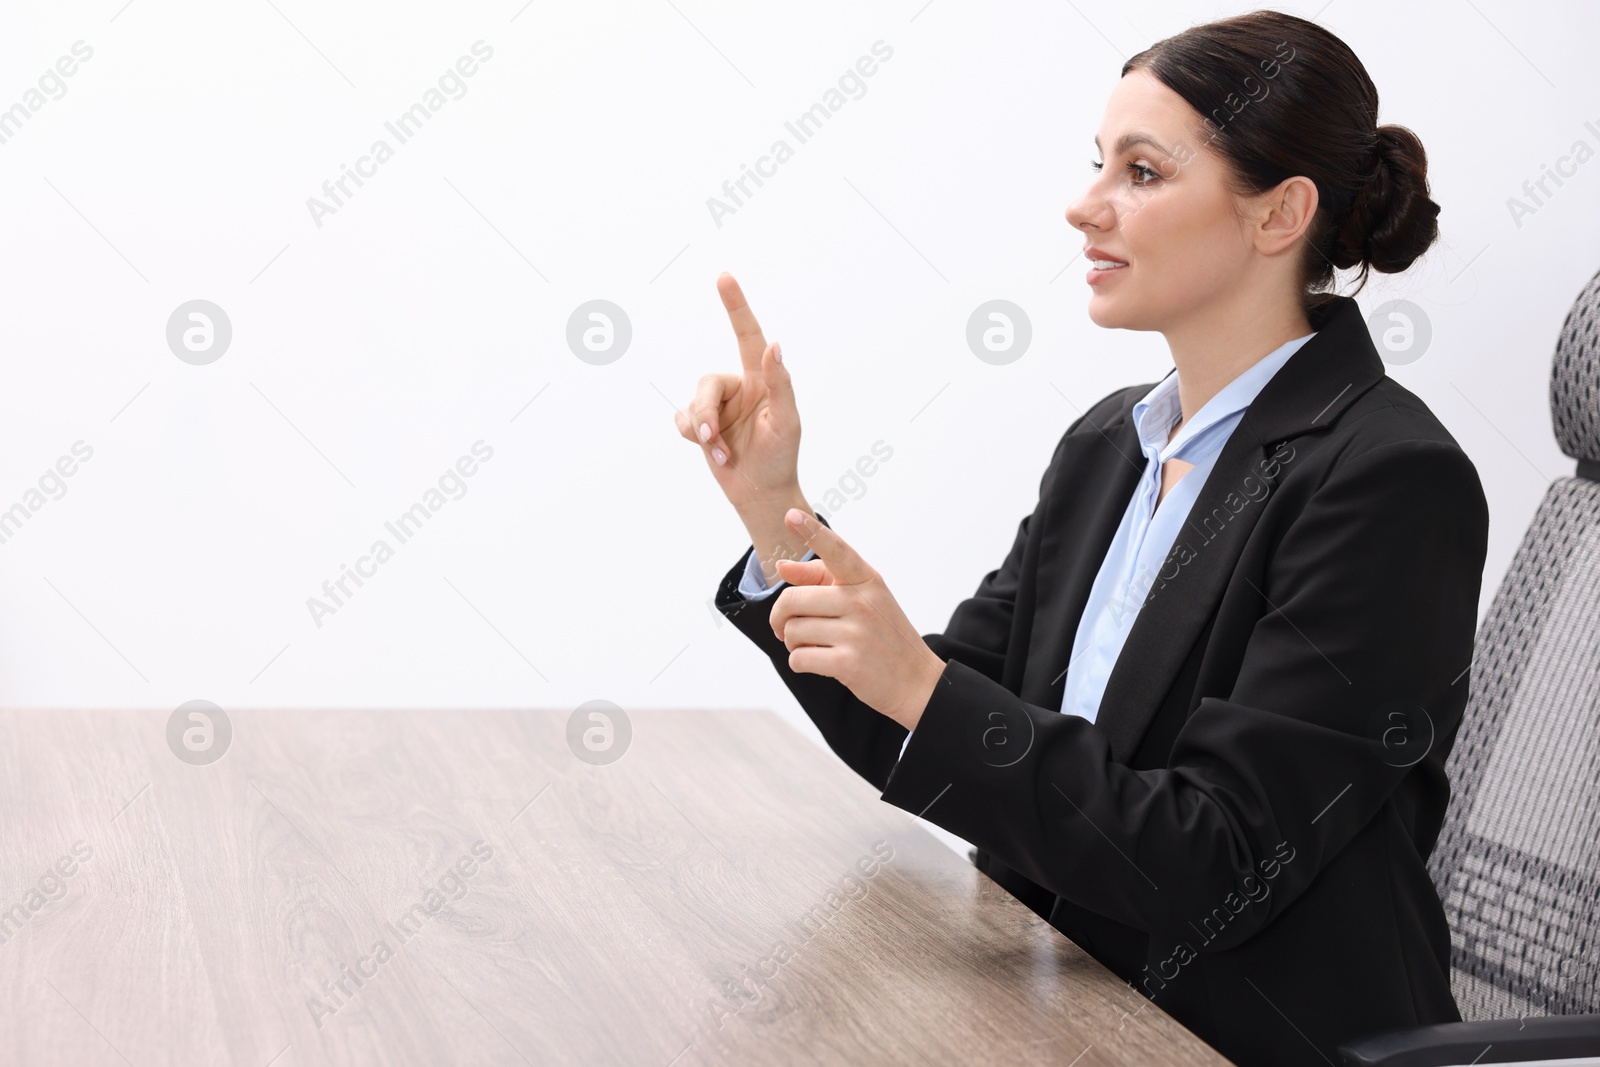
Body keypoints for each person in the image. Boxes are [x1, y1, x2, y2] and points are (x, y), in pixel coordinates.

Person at [675, 10, 1488, 1066]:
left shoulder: (1386, 480)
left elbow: (1220, 858)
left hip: (1232, 1035)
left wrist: (923, 689)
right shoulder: (1111, 443)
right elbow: (927, 710)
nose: (1083, 205)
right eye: (1097, 164)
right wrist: (774, 506)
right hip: (1059, 1001)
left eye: (1141, 172)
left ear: (1279, 212)